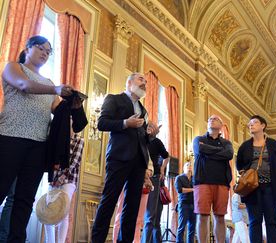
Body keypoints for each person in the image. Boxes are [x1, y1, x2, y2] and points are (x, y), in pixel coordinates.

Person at [0, 35, 73, 242]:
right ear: (28, 48)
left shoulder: (49, 83)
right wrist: (55, 89)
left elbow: (56, 110)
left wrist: (71, 104)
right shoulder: (13, 67)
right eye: (41, 48)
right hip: (10, 137)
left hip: (38, 146)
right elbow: (24, 85)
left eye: (48, 52)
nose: (45, 54)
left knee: (24, 200)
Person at [91, 73, 159, 243]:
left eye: (145, 82)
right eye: (140, 79)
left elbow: (141, 137)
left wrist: (151, 135)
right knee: (109, 201)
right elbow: (102, 123)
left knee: (132, 208)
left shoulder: (143, 110)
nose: (144, 83)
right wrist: (125, 123)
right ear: (129, 82)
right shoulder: (114, 99)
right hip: (119, 157)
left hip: (139, 162)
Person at [236, 115, 276, 243]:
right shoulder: (245, 146)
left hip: (271, 188)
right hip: (252, 189)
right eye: (249, 123)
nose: (251, 125)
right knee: (254, 222)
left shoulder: (273, 144)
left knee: (271, 222)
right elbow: (239, 165)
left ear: (263, 126)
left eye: (254, 122)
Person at [193, 114, 233, 243]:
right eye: (210, 119)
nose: (211, 119)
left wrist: (208, 152)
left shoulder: (227, 143)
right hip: (202, 182)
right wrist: (219, 152)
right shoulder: (198, 139)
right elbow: (199, 150)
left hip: (222, 182)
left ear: (221, 126)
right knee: (202, 216)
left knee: (220, 217)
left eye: (215, 119)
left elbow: (229, 154)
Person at [45, 118, 86, 243]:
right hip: (54, 179)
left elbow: (73, 163)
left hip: (69, 180)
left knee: (64, 213)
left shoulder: (79, 141)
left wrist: (61, 178)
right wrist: (53, 178)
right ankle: (50, 241)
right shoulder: (58, 141)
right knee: (48, 212)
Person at [142, 136, 170, 243]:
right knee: (150, 218)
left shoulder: (161, 163)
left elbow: (167, 157)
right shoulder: (150, 160)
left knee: (156, 219)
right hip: (150, 183)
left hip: (158, 189)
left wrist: (162, 169)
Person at [175, 162, 196, 243]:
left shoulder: (195, 179)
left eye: (191, 165)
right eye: (187, 165)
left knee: (192, 229)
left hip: (194, 205)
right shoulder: (179, 178)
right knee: (181, 227)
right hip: (184, 205)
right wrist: (193, 189)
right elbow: (180, 190)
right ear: (183, 168)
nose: (189, 167)